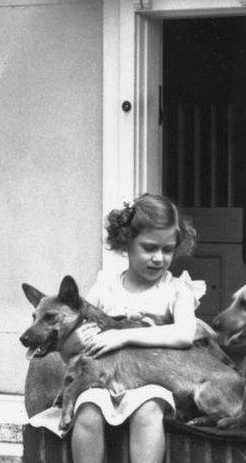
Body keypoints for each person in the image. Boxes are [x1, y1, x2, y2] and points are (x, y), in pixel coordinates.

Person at [34, 194, 202, 463]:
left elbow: (184, 335)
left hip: (151, 379)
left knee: (149, 410)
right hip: (102, 378)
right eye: (149, 248)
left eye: (167, 250)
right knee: (87, 408)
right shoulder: (106, 287)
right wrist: (75, 342)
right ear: (126, 242)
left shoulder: (176, 289)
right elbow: (73, 348)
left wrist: (122, 337)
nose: (159, 258)